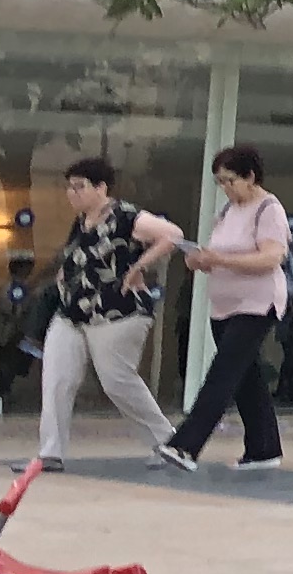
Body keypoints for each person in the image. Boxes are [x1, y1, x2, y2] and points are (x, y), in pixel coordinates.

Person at [34, 157, 184, 470]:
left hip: (117, 312)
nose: (72, 193)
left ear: (101, 187)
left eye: (80, 187)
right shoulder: (81, 222)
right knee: (57, 378)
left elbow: (173, 235)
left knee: (117, 381)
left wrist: (140, 266)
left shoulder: (126, 216)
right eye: (70, 187)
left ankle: (167, 440)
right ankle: (50, 452)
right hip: (73, 312)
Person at [161, 145, 293, 472]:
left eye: (230, 181)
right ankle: (264, 448)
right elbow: (216, 252)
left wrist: (219, 259)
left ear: (250, 177)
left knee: (223, 373)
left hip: (256, 304)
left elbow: (271, 257)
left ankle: (186, 445)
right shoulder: (227, 211)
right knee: (247, 377)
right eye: (220, 182)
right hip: (224, 306)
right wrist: (200, 259)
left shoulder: (269, 209)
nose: (226, 188)